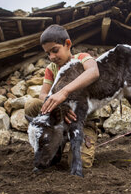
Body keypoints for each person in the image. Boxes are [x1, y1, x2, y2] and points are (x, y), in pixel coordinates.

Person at [24, 24, 100, 168]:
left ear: (67, 44)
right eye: (48, 54)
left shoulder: (82, 58)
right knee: (32, 105)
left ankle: (82, 138)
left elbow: (94, 72)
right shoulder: (51, 69)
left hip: (82, 120)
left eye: (55, 50)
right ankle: (53, 140)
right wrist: (60, 106)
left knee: (80, 163)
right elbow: (43, 95)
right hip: (59, 119)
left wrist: (64, 93)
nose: (51, 57)